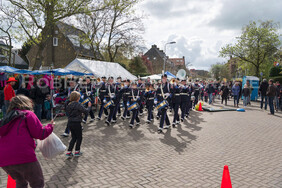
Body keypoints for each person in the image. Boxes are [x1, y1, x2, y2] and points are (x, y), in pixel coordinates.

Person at [0, 95, 54, 188]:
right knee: (37, 183)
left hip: (4, 160)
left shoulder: (6, 119)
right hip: (23, 156)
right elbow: (40, 134)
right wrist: (50, 126)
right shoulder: (27, 114)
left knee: (21, 182)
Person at [66, 91, 91, 157]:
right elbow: (86, 111)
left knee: (73, 137)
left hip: (70, 122)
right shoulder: (78, 104)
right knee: (79, 137)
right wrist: (89, 107)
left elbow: (70, 113)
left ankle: (69, 151)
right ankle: (77, 151)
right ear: (77, 98)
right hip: (76, 123)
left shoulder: (69, 104)